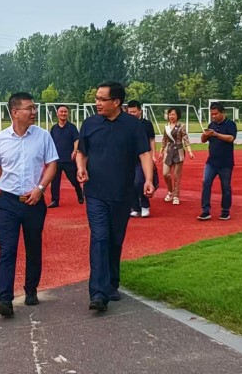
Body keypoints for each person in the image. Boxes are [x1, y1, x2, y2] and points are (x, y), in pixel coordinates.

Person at [77, 82, 155, 312]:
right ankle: (98, 293)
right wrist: (81, 167)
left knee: (114, 239)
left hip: (122, 193)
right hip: (95, 193)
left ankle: (111, 284)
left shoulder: (132, 125)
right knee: (99, 237)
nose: (97, 103)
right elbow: (82, 151)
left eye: (102, 99)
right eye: (96, 98)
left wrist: (148, 179)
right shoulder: (90, 124)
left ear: (116, 102)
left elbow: (144, 153)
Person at [0, 92, 58, 317]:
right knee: (7, 250)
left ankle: (31, 289)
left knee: (33, 247)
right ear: (15, 112)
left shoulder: (43, 136)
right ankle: (4, 299)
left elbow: (52, 164)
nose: (34, 112)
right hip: (8, 201)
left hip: (34, 201)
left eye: (34, 108)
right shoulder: (0, 139)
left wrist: (40, 188)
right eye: (29, 108)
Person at [198, 101, 237, 221]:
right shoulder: (211, 125)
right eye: (212, 114)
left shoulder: (230, 124)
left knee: (225, 187)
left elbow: (230, 138)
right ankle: (205, 210)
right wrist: (205, 134)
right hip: (211, 162)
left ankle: (225, 211)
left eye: (216, 114)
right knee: (206, 183)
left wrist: (216, 134)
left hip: (226, 163)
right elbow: (203, 140)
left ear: (222, 112)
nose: (213, 116)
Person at [48, 105, 84, 208]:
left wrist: (74, 150)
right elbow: (50, 143)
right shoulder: (54, 128)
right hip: (56, 160)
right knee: (55, 181)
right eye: (61, 112)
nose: (63, 113)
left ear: (67, 114)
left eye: (65, 112)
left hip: (69, 159)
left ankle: (79, 192)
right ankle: (55, 201)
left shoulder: (72, 127)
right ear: (57, 113)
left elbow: (76, 140)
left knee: (74, 180)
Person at [126, 100, 157, 218]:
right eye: (129, 112)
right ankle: (135, 207)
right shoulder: (125, 124)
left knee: (139, 182)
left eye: (134, 112)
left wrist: (153, 155)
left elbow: (152, 140)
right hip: (129, 158)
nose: (131, 114)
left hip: (143, 158)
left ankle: (145, 205)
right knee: (130, 182)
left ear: (140, 111)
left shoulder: (147, 124)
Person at [159, 107, 195, 205]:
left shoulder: (181, 126)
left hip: (178, 152)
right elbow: (164, 140)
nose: (171, 116)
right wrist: (161, 151)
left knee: (176, 176)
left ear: (177, 115)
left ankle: (176, 196)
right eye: (170, 114)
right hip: (168, 151)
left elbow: (186, 139)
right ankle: (170, 191)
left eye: (173, 114)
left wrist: (190, 151)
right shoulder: (166, 126)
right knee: (165, 174)